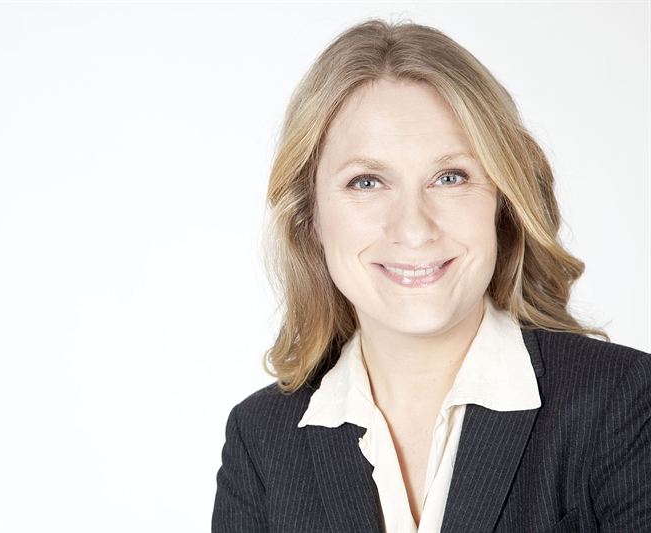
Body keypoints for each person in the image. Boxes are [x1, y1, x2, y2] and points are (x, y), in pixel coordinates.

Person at [211, 18, 650, 533]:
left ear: (502, 201)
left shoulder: (623, 402)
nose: (414, 228)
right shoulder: (261, 439)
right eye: (366, 182)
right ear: (310, 219)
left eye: (450, 177)